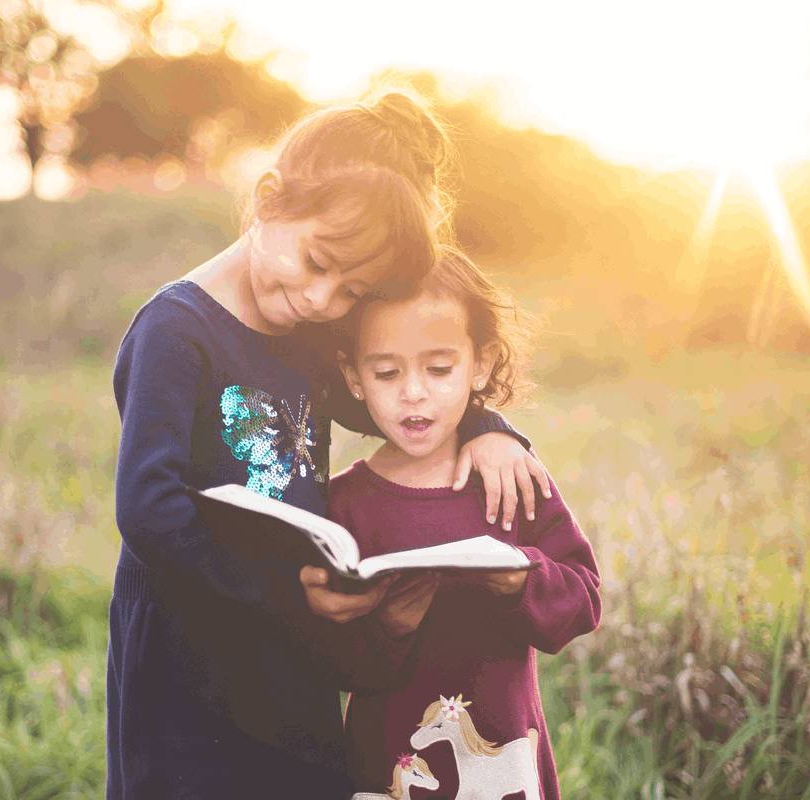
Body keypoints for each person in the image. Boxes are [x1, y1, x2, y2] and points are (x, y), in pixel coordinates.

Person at [107, 89, 549, 799]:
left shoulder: (309, 341)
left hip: (293, 652)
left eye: (352, 292)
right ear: (271, 199)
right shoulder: (176, 331)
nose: (322, 300)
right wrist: (288, 592)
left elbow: (405, 410)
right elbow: (149, 510)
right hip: (189, 655)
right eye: (317, 262)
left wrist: (489, 430)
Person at [331, 248, 602, 799]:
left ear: (479, 363)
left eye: (438, 368)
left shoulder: (510, 478)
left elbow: (583, 602)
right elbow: (328, 660)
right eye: (386, 371)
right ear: (353, 376)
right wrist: (389, 627)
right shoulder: (343, 505)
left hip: (502, 764)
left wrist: (522, 578)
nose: (413, 391)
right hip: (389, 766)